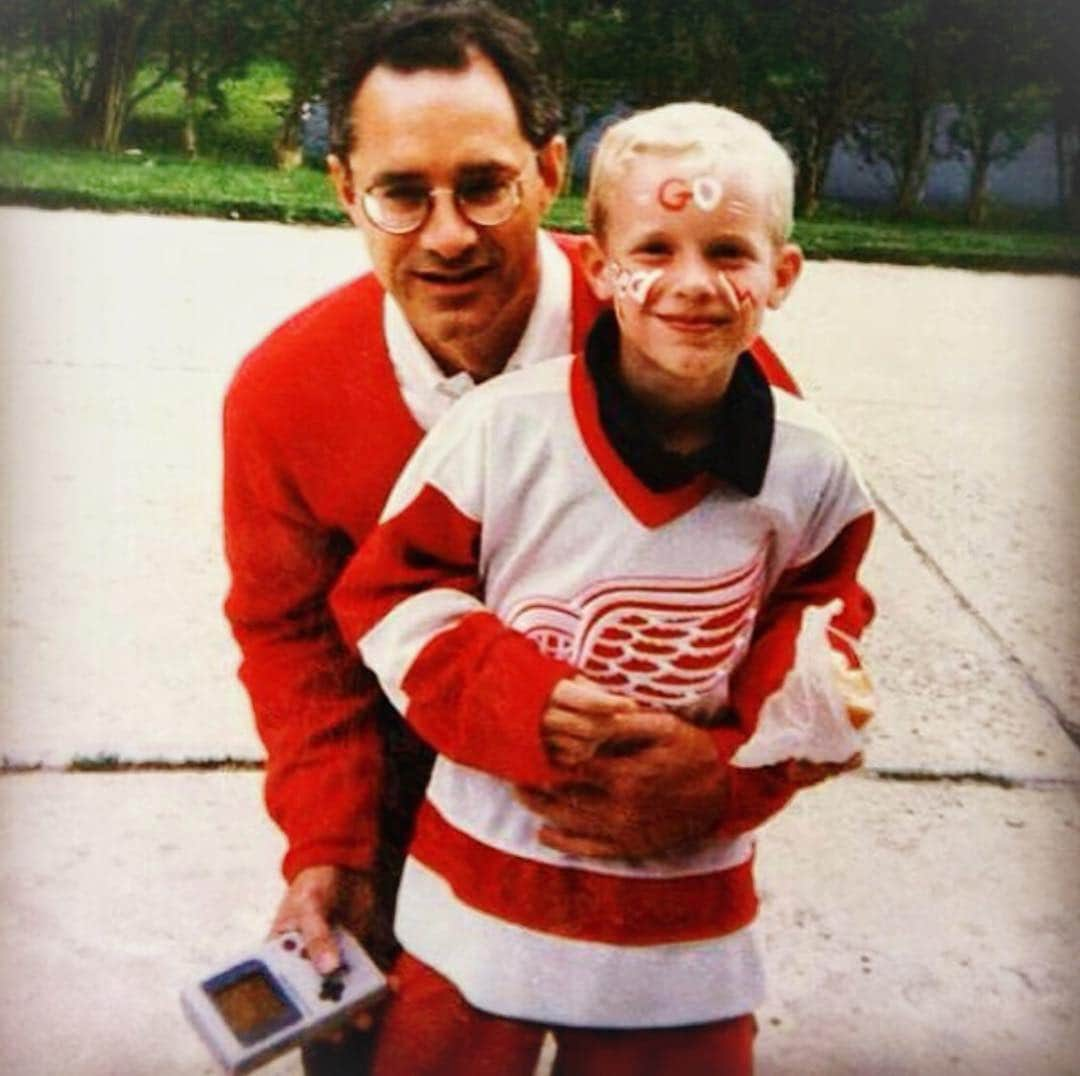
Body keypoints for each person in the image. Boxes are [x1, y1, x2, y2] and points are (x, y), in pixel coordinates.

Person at [222, 2, 800, 1069]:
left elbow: (808, 596)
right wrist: (332, 847)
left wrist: (728, 772)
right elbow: (291, 637)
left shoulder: (680, 342)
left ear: (546, 171)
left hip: (633, 825)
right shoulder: (284, 393)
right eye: (402, 191)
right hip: (403, 811)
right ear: (346, 188)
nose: (446, 233)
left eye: (482, 185)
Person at [330, 101, 875, 1075]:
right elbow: (388, 594)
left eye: (729, 251)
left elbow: (817, 613)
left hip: (681, 904)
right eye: (654, 248)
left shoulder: (813, 467)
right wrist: (513, 694)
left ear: (782, 275)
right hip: (483, 889)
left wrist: (744, 764)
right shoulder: (502, 432)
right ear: (598, 266)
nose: (692, 284)